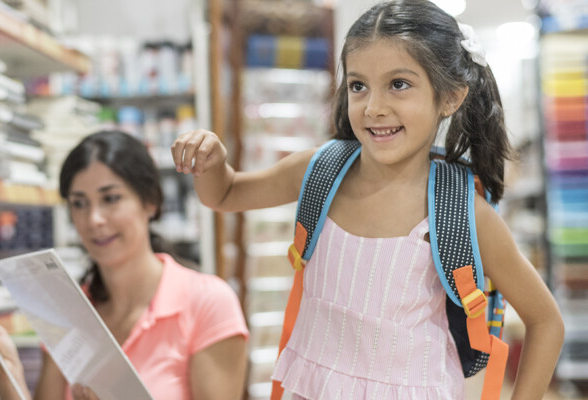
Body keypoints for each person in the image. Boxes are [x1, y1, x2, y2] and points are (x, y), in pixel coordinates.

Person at [171, 1, 564, 399]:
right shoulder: (320, 171)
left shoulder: (460, 211)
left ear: (450, 97)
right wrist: (212, 162)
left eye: (399, 84)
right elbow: (225, 194)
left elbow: (546, 320)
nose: (374, 108)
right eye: (359, 86)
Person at [0, 130, 249, 400]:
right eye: (79, 203)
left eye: (111, 198)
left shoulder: (207, 302)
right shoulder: (69, 312)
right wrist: (7, 374)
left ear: (150, 202)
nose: (94, 219)